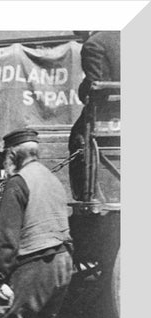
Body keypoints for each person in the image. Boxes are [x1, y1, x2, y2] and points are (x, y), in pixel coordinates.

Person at [0, 129, 74, 318]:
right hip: (64, 259)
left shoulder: (18, 181)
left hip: (37, 261)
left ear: (13, 155)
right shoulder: (51, 178)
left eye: (5, 156)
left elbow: (7, 237)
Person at [68, 31, 120, 201]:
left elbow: (96, 85)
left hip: (109, 112)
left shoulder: (94, 44)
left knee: (77, 137)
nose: (81, 36)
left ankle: (86, 195)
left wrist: (82, 90)